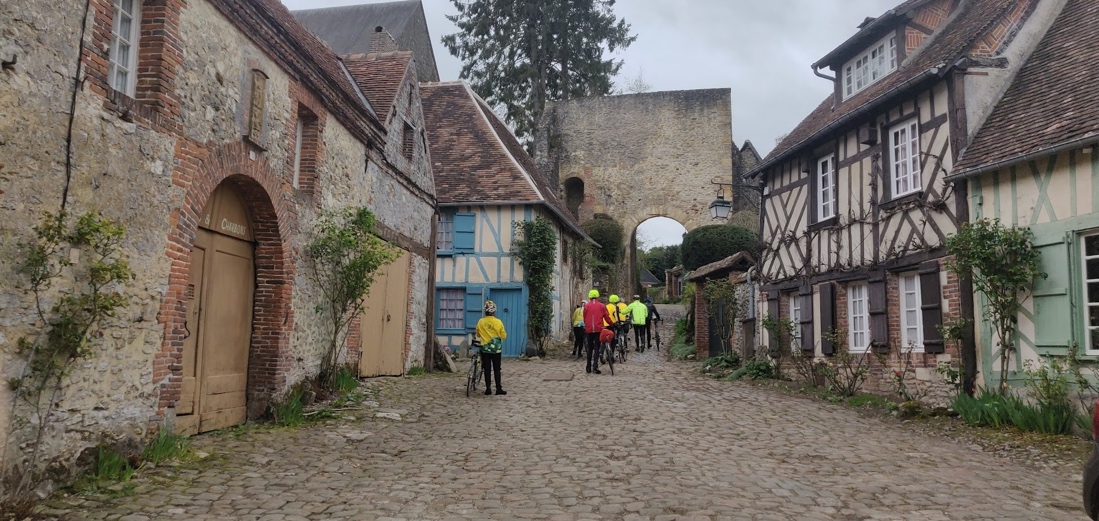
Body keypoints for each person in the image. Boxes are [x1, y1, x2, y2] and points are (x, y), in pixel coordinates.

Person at [475, 300, 507, 395]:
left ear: (485, 311)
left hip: (485, 349)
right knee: (497, 369)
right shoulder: (498, 322)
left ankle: (488, 388)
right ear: (494, 311)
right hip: (496, 349)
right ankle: (498, 388)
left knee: (487, 369)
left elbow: (478, 334)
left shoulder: (481, 321)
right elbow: (503, 336)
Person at [582, 289, 611, 374]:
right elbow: (606, 316)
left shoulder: (586, 306)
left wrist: (586, 325)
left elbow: (584, 317)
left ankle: (588, 366)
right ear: (598, 296)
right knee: (597, 347)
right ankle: (595, 366)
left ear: (590, 297)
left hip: (589, 329)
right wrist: (611, 323)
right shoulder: (602, 306)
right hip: (598, 329)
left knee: (589, 348)